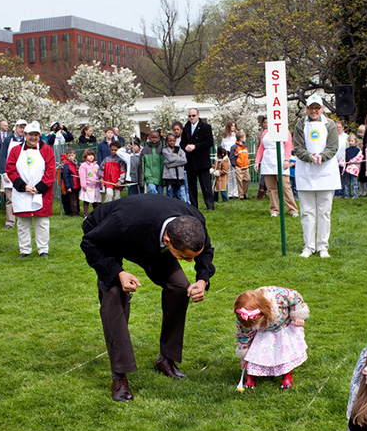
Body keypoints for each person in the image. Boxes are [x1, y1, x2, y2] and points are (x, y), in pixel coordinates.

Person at [80, 194, 215, 402]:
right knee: (115, 294)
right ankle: (119, 376)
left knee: (180, 287)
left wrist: (202, 279)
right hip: (108, 238)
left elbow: (205, 251)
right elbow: (90, 243)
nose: (190, 262)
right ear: (168, 240)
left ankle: (166, 359)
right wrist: (118, 272)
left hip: (150, 237)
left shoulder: (193, 219)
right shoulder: (124, 222)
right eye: (185, 257)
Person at [234, 286, 309, 390]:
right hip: (260, 333)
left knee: (283, 351)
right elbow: (243, 335)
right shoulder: (243, 318)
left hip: (281, 328)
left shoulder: (280, 296)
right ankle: (251, 375)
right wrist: (243, 357)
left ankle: (286, 374)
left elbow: (296, 298)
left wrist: (298, 316)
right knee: (255, 351)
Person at [292, 95, 340, 258]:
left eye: (317, 108)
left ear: (322, 109)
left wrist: (322, 156)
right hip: (305, 172)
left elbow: (333, 147)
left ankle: (323, 246)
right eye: (311, 108)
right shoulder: (300, 125)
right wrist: (309, 156)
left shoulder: (330, 125)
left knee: (324, 212)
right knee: (307, 211)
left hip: (326, 172)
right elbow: (297, 147)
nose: (314, 111)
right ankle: (309, 246)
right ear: (306, 109)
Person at [5, 121, 55, 258]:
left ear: (39, 136)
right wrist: (23, 186)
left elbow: (50, 172)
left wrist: (39, 188)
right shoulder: (15, 151)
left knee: (42, 222)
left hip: (41, 193)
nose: (33, 138)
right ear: (25, 135)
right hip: (22, 193)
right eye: (30, 135)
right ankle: (25, 250)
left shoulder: (47, 150)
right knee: (22, 223)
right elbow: (10, 169)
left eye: (36, 135)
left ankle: (43, 249)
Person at [255, 119, 298, 216]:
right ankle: (274, 210)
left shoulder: (284, 131)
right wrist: (257, 161)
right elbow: (261, 148)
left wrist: (287, 160)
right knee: (271, 188)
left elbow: (288, 146)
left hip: (281, 161)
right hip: (268, 162)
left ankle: (293, 210)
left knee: (285, 187)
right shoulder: (265, 133)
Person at [180, 108, 215, 210]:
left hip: (202, 161)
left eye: (193, 115)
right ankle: (194, 206)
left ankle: (210, 205)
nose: (191, 118)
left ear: (198, 115)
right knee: (191, 186)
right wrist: (185, 146)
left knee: (206, 185)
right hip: (190, 161)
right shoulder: (186, 128)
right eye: (189, 116)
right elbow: (182, 142)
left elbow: (209, 142)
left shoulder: (206, 127)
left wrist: (195, 146)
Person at [0, 120, 27, 229]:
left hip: (22, 173)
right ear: (15, 127)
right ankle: (10, 221)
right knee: (10, 198)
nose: (22, 130)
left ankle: (23, 219)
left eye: (24, 127)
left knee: (22, 196)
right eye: (20, 127)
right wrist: (4, 173)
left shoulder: (26, 140)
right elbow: (3, 156)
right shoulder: (7, 140)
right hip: (9, 173)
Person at [162, 132, 188, 201]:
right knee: (170, 194)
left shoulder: (179, 149)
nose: (172, 142)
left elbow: (184, 160)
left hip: (179, 176)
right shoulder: (165, 150)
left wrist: (171, 164)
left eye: (173, 141)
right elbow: (169, 158)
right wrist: (179, 160)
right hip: (169, 176)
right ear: (167, 141)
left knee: (179, 194)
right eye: (170, 141)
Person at [141, 130, 165, 196]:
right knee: (152, 190)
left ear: (159, 138)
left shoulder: (162, 149)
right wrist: (142, 178)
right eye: (152, 137)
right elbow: (142, 165)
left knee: (160, 195)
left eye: (156, 137)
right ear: (149, 138)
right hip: (149, 176)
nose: (154, 139)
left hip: (160, 176)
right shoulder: (145, 150)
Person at [78, 148, 101, 216]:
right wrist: (83, 185)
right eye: (89, 155)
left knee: (96, 201)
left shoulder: (96, 165)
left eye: (92, 155)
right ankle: (86, 214)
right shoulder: (83, 165)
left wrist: (100, 185)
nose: (91, 157)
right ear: (85, 156)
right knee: (87, 201)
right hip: (88, 186)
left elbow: (99, 175)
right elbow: (82, 176)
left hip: (96, 186)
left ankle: (96, 214)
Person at [60, 147, 81, 216]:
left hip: (77, 185)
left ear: (74, 155)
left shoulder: (76, 164)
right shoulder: (67, 165)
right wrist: (68, 186)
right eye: (69, 156)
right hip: (71, 185)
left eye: (72, 155)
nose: (71, 157)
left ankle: (77, 211)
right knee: (73, 200)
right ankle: (74, 213)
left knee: (77, 199)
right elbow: (65, 177)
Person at [233, 131, 250, 199]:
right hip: (238, 167)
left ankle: (244, 193)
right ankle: (241, 195)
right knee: (240, 181)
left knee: (247, 179)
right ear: (241, 138)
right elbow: (232, 157)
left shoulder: (245, 146)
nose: (245, 138)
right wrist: (235, 165)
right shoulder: (234, 147)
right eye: (244, 137)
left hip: (246, 167)